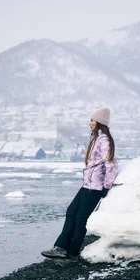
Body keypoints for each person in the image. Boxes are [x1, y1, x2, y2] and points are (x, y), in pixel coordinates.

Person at [41, 107, 120, 259]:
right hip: (87, 186)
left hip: (95, 188)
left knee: (81, 218)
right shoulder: (97, 139)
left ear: (99, 122)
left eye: (92, 120)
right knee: (71, 212)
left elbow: (110, 164)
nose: (90, 123)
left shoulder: (104, 140)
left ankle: (72, 251)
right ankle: (61, 247)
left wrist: (106, 186)